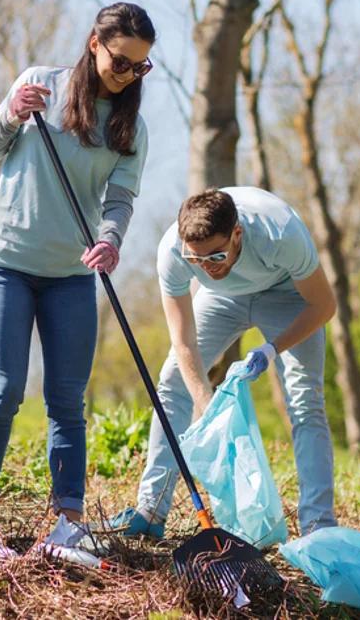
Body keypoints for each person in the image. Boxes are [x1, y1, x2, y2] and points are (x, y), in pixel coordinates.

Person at [0, 2, 155, 555]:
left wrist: (111, 241)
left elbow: (119, 200)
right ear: (95, 42)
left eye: (139, 68)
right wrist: (10, 115)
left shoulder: (129, 127)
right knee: (3, 389)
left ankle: (68, 519)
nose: (127, 75)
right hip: (6, 262)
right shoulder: (38, 87)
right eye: (121, 61)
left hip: (72, 273)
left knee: (67, 399)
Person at [109, 187, 339, 538]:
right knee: (173, 381)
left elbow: (324, 306)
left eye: (215, 257)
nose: (205, 266)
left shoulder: (281, 232)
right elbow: (183, 340)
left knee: (305, 400)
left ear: (237, 235)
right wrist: (205, 402)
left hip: (287, 294)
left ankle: (318, 527)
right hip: (221, 299)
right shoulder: (174, 250)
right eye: (196, 259)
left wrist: (272, 349)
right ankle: (151, 509)